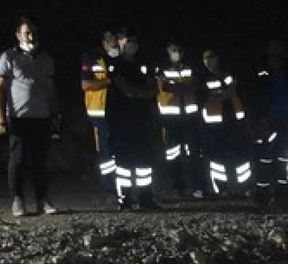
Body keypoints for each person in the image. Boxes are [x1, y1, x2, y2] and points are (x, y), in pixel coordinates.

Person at [0, 14, 59, 217]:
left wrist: (55, 114)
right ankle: (17, 199)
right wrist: (0, 118)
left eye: (34, 32)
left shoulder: (45, 58)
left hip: (42, 117)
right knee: (18, 159)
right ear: (18, 35)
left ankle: (42, 200)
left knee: (40, 160)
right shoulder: (8, 57)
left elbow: (50, 89)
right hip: (18, 117)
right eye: (27, 32)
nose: (31, 36)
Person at [105, 28, 159, 210]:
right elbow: (126, 90)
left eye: (134, 41)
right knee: (124, 161)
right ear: (120, 42)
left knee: (144, 159)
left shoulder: (144, 64)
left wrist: (138, 93)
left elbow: (153, 90)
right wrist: (140, 92)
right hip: (122, 121)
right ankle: (125, 199)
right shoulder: (116, 65)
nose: (132, 45)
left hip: (143, 119)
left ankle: (146, 198)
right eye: (128, 41)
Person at [196, 47, 250, 197]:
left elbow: (234, 90)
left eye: (211, 57)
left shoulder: (228, 74)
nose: (209, 61)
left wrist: (220, 93)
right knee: (217, 157)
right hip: (213, 122)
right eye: (206, 58)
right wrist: (222, 93)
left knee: (240, 154)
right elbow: (203, 96)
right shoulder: (202, 78)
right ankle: (223, 188)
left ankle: (244, 187)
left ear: (218, 58)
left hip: (234, 119)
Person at [247, 39, 288, 208]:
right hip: (267, 121)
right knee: (264, 159)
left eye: (277, 47)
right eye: (272, 47)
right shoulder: (259, 69)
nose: (275, 51)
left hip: (285, 120)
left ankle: (282, 196)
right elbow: (254, 94)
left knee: (283, 159)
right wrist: (259, 118)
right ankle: (262, 197)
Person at [155, 40, 201, 197]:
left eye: (180, 49)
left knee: (193, 152)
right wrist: (182, 87)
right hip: (170, 118)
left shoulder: (189, 68)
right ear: (168, 50)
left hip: (189, 116)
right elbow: (164, 86)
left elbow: (195, 84)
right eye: (174, 49)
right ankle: (177, 186)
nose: (177, 52)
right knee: (173, 153)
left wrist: (178, 86)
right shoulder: (162, 68)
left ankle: (197, 187)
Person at [80, 29, 121, 195]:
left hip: (118, 110)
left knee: (118, 147)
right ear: (104, 42)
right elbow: (86, 84)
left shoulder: (121, 58)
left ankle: (120, 182)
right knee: (105, 149)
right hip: (99, 111)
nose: (115, 43)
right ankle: (109, 185)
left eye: (117, 39)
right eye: (111, 39)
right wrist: (109, 81)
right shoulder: (92, 57)